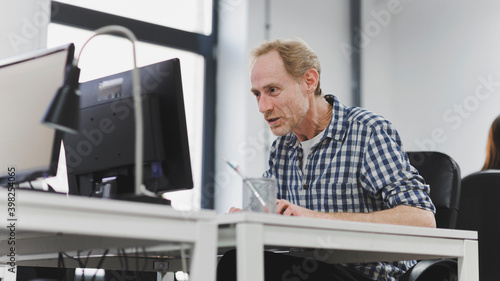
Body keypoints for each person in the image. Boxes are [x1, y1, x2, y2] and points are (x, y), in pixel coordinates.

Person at [217, 38, 436, 281]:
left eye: (272, 90)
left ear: (309, 81)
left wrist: (315, 217)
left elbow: (422, 219)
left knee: (243, 265)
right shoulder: (282, 149)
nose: (263, 106)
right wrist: (248, 217)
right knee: (235, 262)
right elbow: (271, 216)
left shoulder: (366, 131)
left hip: (367, 275)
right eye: (257, 94)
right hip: (307, 270)